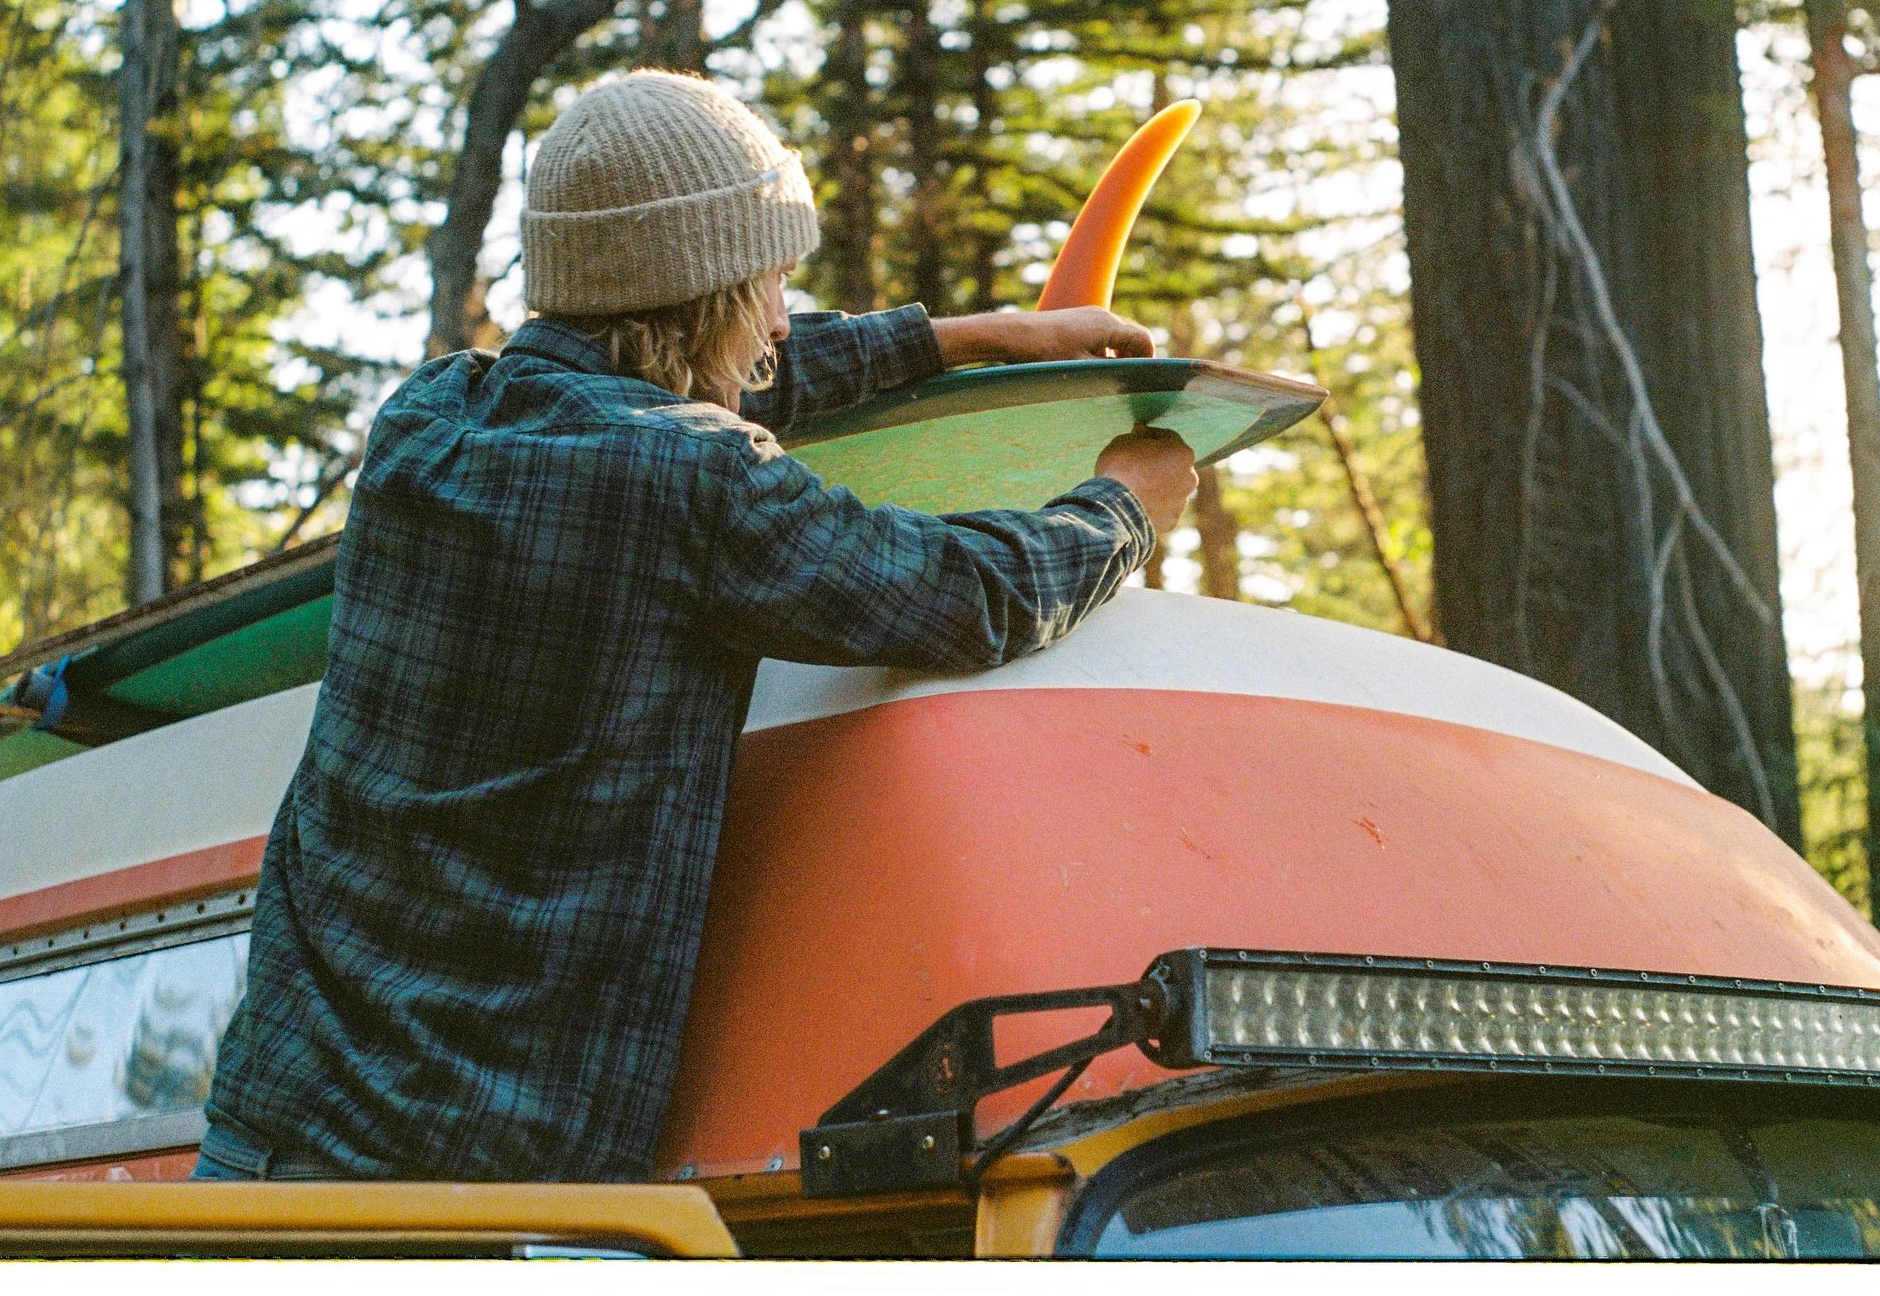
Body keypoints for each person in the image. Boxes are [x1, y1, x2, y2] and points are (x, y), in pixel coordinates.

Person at [196, 70, 1198, 1183]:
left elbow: (690, 380)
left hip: (269, 1139)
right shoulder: (695, 483)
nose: (781, 318)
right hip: (466, 1195)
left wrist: (966, 339)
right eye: (769, 286)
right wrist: (1123, 511)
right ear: (711, 295)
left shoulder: (428, 420)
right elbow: (958, 594)